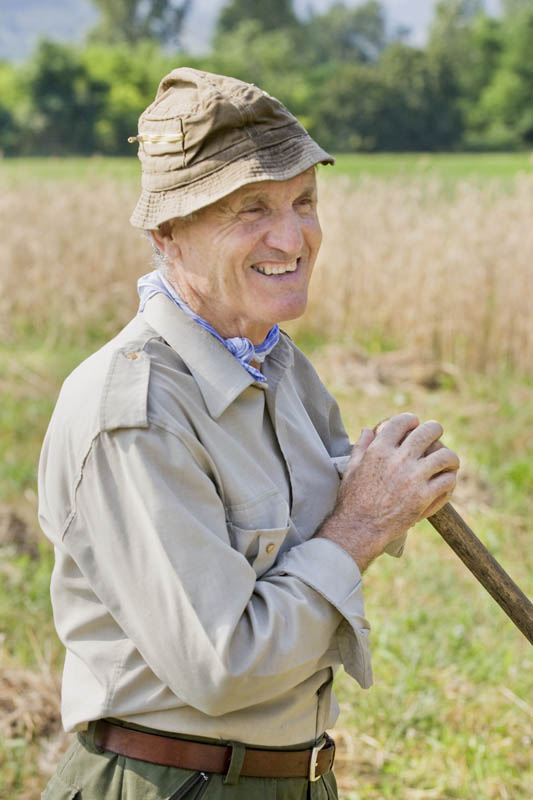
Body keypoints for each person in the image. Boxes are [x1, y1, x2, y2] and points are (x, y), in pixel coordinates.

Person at [38, 68, 459, 800]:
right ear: (167, 235)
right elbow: (224, 664)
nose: (291, 236)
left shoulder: (275, 363)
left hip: (288, 779)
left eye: (303, 201)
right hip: (169, 783)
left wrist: (388, 485)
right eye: (249, 208)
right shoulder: (134, 411)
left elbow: (327, 512)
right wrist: (364, 521)